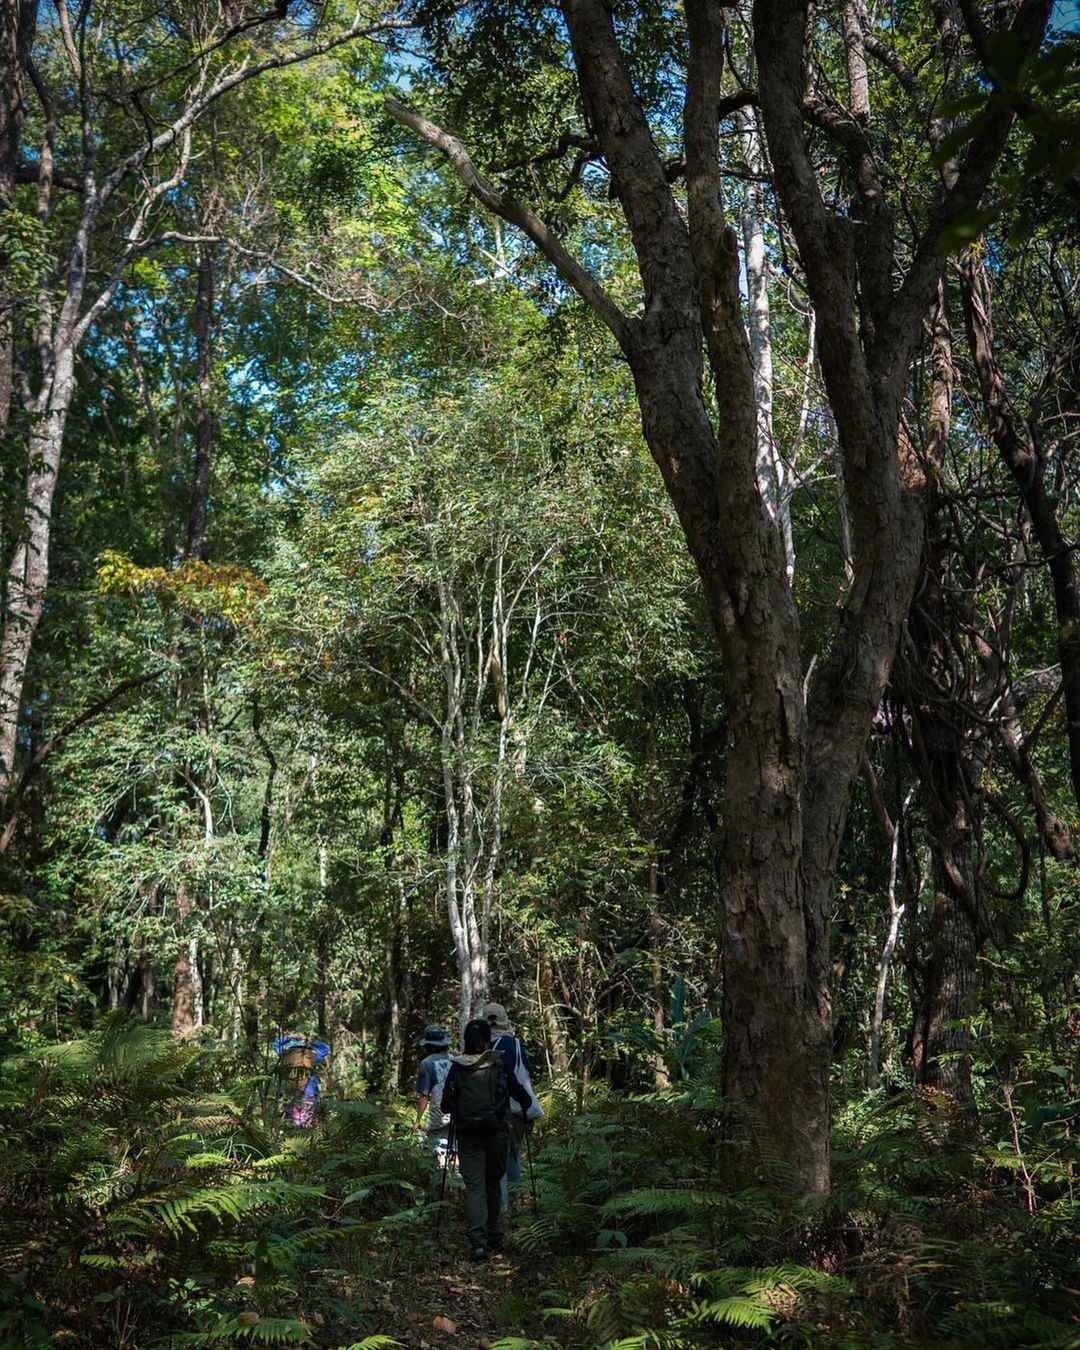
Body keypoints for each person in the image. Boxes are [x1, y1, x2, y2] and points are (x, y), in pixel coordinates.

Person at [442, 1018, 533, 1261]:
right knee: (493, 1182)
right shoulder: (498, 1065)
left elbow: (444, 1104)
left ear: (465, 1040)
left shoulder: (457, 1067)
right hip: (497, 1133)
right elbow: (523, 1097)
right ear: (487, 1039)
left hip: (467, 1134)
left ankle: (478, 1243)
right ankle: (495, 1234)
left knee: (474, 1187)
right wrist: (524, 1107)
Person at [481, 1002, 542, 1209]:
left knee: (497, 1161)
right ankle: (514, 1205)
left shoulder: (486, 1049)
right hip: (522, 1109)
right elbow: (525, 1073)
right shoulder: (516, 1044)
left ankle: (502, 1209)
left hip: (501, 1111)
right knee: (513, 1155)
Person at [273, 1031, 330, 1127]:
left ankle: (302, 1127)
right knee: (298, 1115)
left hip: (306, 1091)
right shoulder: (289, 1055)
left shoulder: (310, 1056)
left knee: (305, 1114)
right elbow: (325, 1049)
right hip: (294, 1092)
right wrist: (291, 1037)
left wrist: (306, 1039)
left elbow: (276, 1044)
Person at [413, 1024, 452, 1156]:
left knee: (437, 1152)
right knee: (453, 1151)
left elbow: (424, 1096)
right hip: (457, 1113)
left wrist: (418, 1120)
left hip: (438, 1115)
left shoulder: (427, 1063)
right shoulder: (454, 1060)